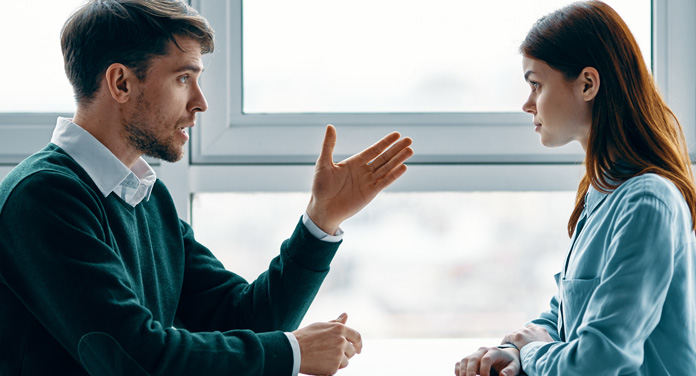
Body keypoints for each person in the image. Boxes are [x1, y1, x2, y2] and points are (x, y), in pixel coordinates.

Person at [0, 1, 414, 375]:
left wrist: (322, 219)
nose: (201, 102)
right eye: (184, 78)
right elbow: (133, 357)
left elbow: (247, 318)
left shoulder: (144, 195)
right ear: (121, 83)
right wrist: (292, 353)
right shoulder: (43, 197)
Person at [454, 1, 696, 375]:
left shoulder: (648, 202)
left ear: (587, 84)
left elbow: (601, 359)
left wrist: (532, 353)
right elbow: (566, 312)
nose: (527, 104)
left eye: (536, 85)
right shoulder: (602, 191)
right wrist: (513, 351)